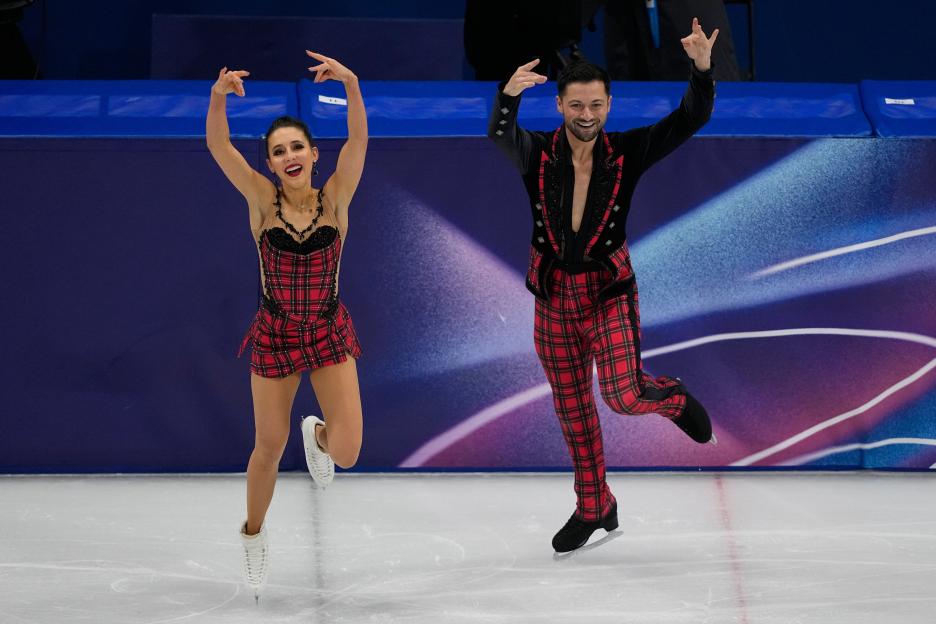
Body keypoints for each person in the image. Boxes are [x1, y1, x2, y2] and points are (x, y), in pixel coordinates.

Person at [488, 18, 717, 553]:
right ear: (560, 107)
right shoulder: (537, 154)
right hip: (551, 297)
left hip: (607, 292)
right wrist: (507, 95)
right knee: (572, 409)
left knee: (622, 394)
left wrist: (701, 68)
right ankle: (595, 504)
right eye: (576, 106)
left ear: (608, 105)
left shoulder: (628, 151)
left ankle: (673, 398)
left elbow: (690, 118)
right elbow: (501, 135)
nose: (585, 116)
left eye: (595, 106)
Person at [206, 50, 367, 598]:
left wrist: (350, 85)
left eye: (297, 146)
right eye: (278, 152)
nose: (289, 156)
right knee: (267, 447)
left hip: (327, 330)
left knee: (347, 453)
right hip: (275, 333)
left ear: (313, 154)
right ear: (271, 164)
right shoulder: (260, 201)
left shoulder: (337, 197)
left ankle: (317, 437)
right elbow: (218, 148)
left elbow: (359, 143)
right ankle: (253, 536)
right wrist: (217, 97)